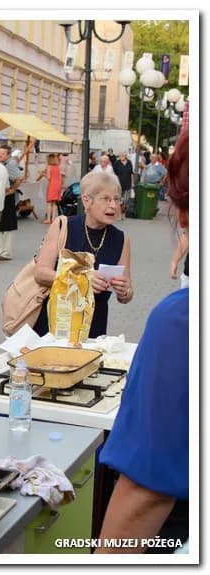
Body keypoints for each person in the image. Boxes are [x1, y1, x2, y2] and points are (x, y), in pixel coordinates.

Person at [96, 130, 189, 554]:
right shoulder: (67, 226)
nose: (115, 206)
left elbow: (145, 493)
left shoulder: (183, 321)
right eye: (108, 200)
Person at [33, 171, 133, 339]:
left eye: (116, 199)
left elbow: (128, 292)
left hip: (93, 330)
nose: (114, 206)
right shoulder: (63, 226)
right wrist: (83, 279)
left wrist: (125, 291)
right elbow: (41, 273)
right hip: (54, 324)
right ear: (87, 201)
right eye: (106, 199)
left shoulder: (121, 239)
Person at [0, 145, 24, 261]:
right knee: (3, 223)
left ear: (8, 154)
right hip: (5, 196)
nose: (0, 155)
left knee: (7, 224)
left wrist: (13, 189)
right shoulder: (4, 164)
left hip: (8, 197)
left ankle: (6, 252)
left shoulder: (11, 164)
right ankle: (2, 251)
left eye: (3, 154)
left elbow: (19, 178)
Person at [36, 153, 62, 224]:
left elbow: (49, 177)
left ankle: (48, 219)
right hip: (58, 185)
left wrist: (43, 174)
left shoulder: (49, 167)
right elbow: (59, 177)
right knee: (54, 202)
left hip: (52, 184)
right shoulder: (57, 167)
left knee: (49, 202)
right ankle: (53, 219)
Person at [112, 151, 134, 220]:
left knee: (126, 200)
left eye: (123, 155)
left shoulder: (129, 162)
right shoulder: (117, 163)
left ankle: (121, 212)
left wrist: (132, 183)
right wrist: (117, 182)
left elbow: (131, 173)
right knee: (119, 200)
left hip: (128, 183)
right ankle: (119, 215)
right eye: (121, 155)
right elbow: (114, 174)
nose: (122, 157)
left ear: (126, 156)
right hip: (119, 184)